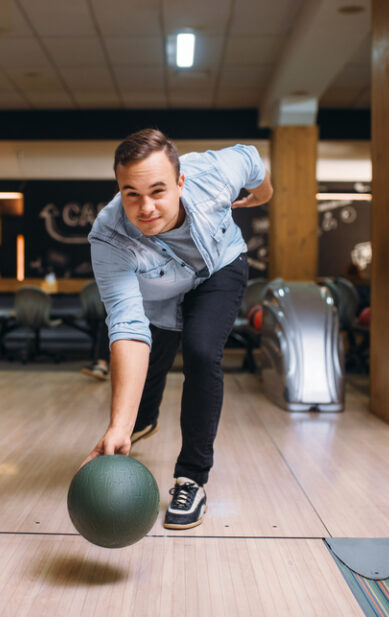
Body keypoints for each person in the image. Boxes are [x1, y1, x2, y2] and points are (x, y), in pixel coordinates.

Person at [82, 128, 273, 530]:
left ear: (181, 180)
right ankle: (140, 421)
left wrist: (264, 194)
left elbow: (253, 158)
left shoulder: (214, 174)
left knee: (202, 353)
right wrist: (118, 426)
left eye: (158, 191)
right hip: (160, 293)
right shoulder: (109, 236)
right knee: (141, 393)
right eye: (131, 193)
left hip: (219, 267)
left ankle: (192, 478)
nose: (145, 207)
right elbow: (128, 328)